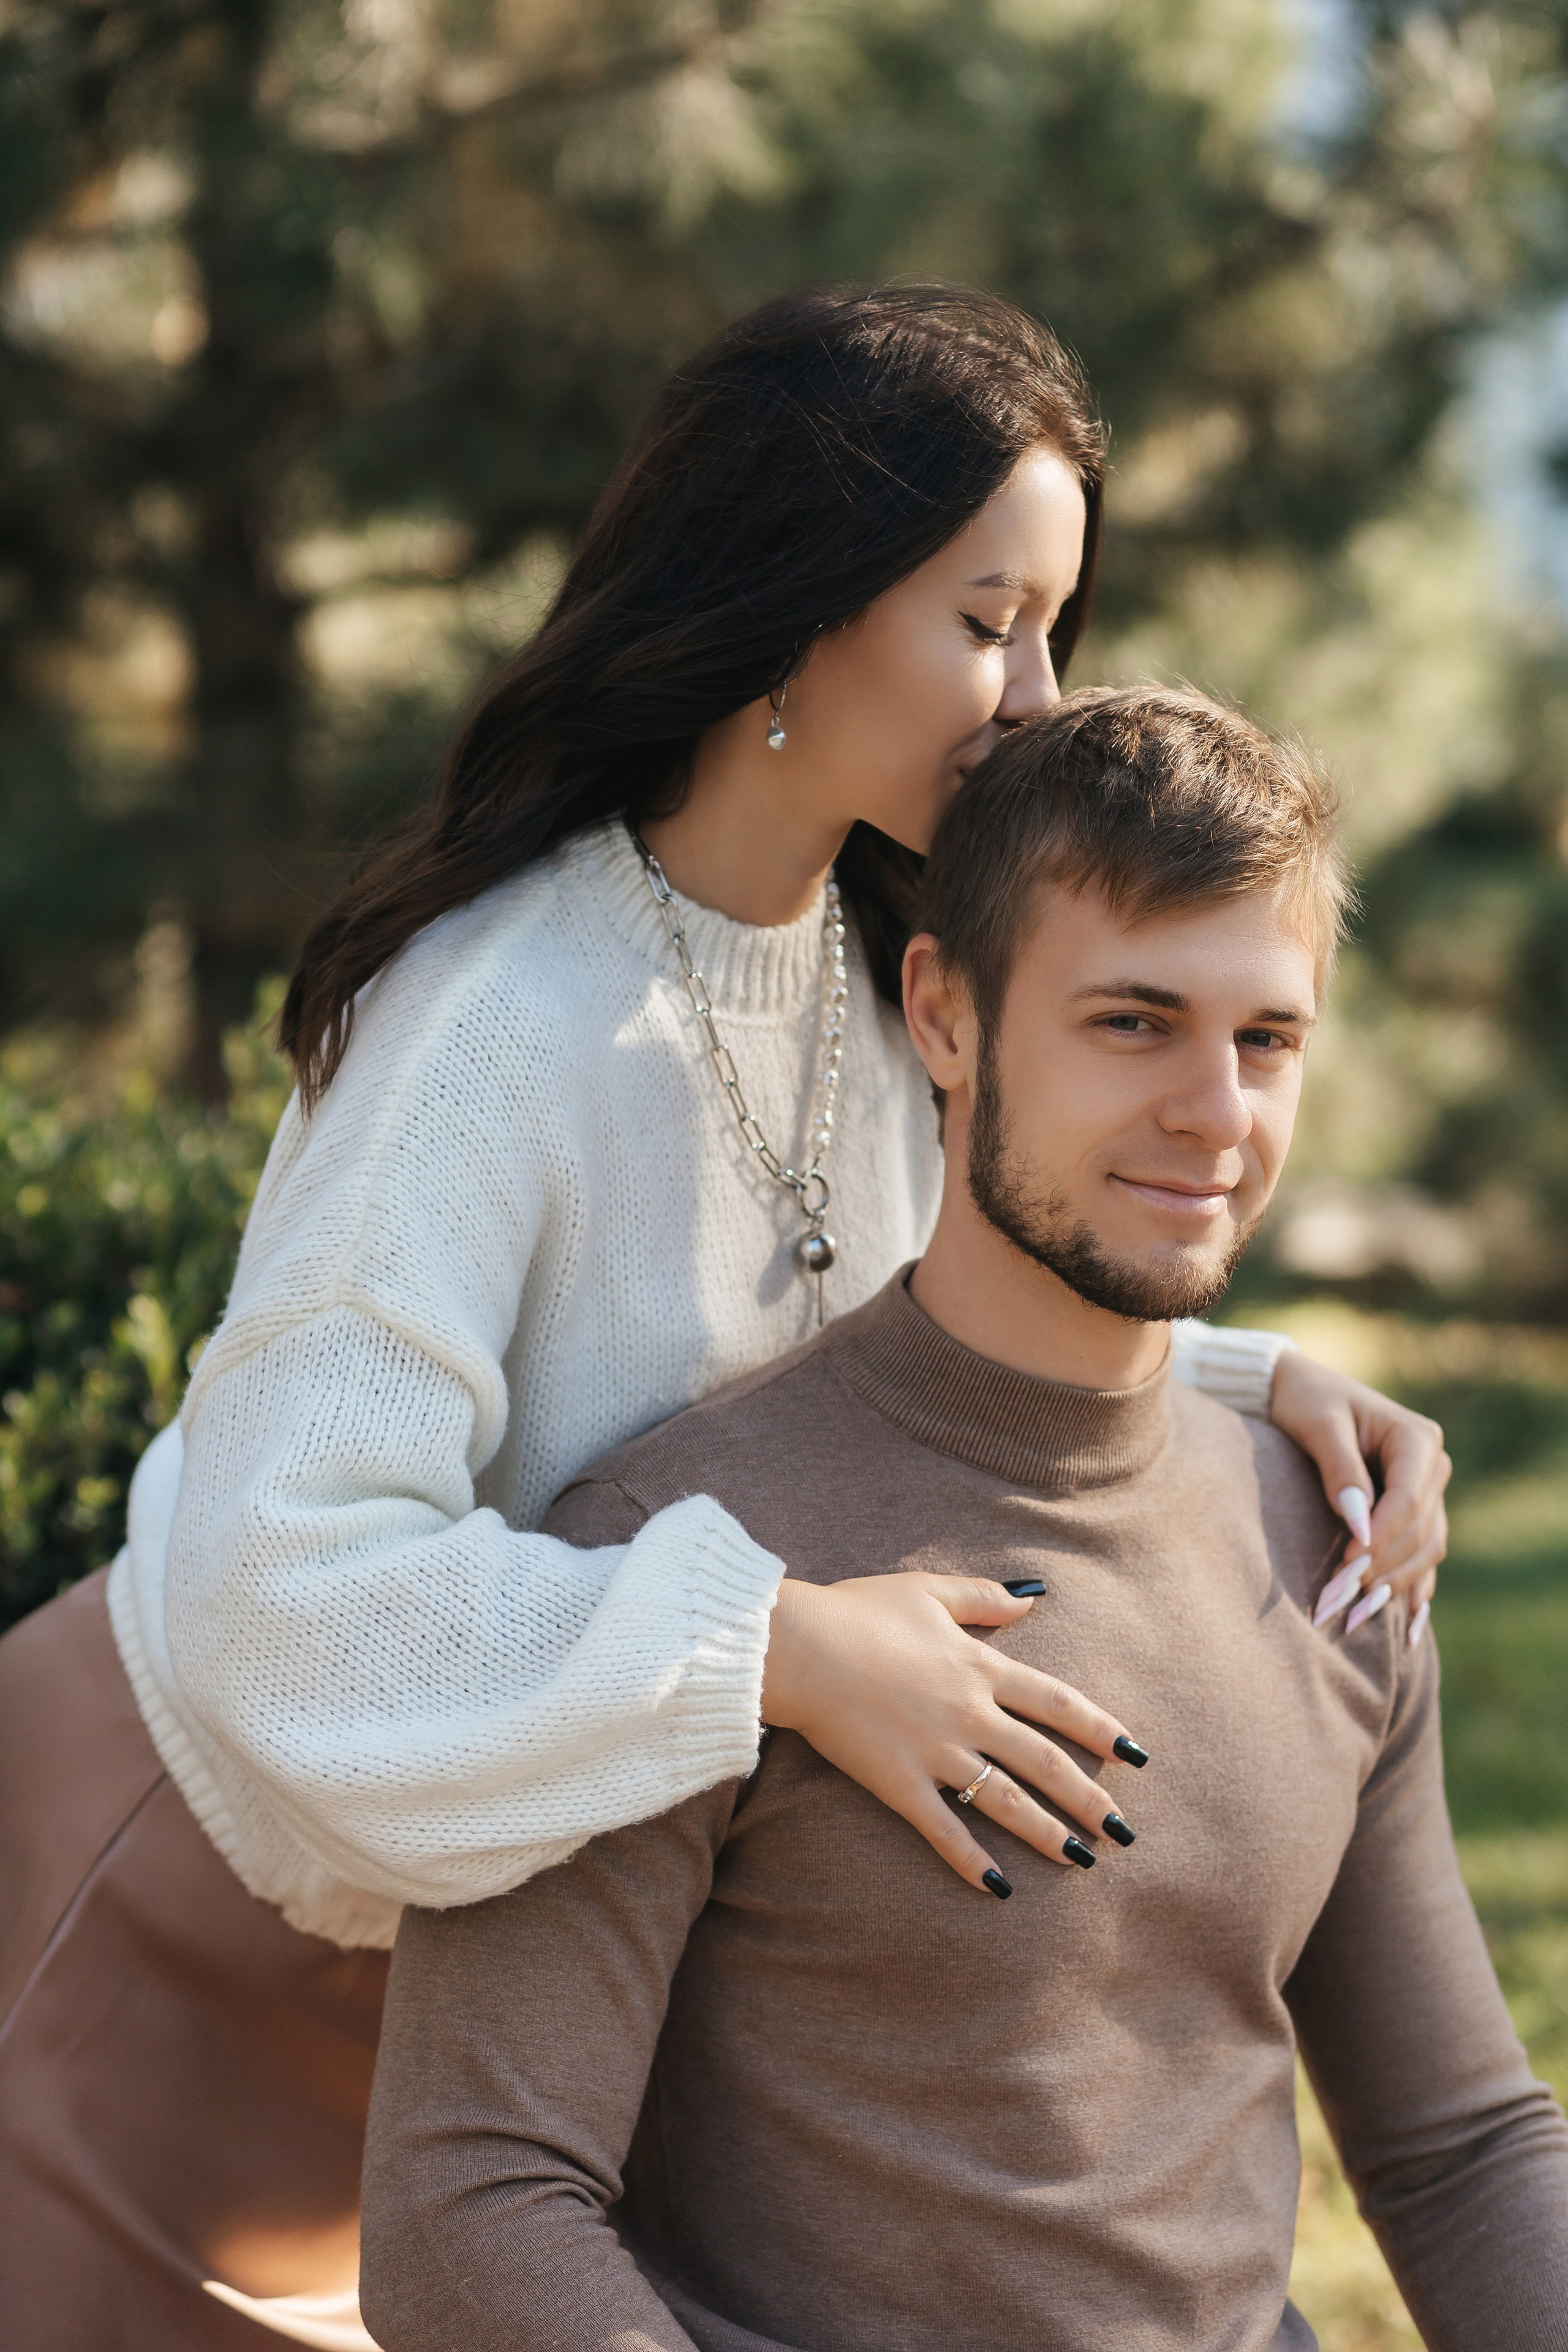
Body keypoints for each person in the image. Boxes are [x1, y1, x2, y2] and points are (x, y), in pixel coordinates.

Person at [0, 290, 1450, 2349]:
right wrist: (780, 1644)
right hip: (170, 1910)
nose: (1037, 699)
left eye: (1055, 627)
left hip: (493, 1974)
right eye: (989, 622)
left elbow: (896, 1322)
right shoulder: (490, 1016)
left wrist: (1256, 1387)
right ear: (796, 604)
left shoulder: (874, 979)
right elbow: (275, 1584)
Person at [360, 688, 1568, 2352]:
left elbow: (1461, 2149)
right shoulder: (678, 1570)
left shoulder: (1336, 1539)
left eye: (1267, 1039)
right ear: (944, 1013)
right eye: (1134, 1022)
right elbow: (468, 2211)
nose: (1217, 1113)